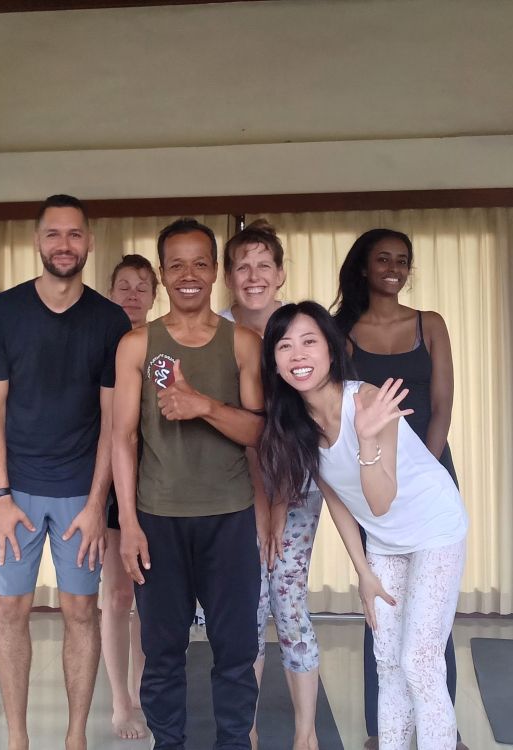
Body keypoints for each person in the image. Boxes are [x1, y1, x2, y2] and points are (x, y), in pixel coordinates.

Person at [259, 301, 468, 750]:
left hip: (435, 528)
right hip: (386, 542)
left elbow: (379, 499)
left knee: (420, 662)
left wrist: (368, 437)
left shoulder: (368, 401)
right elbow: (337, 497)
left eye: (309, 341)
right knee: (387, 661)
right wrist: (363, 571)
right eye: (285, 346)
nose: (298, 354)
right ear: (274, 362)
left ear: (331, 351)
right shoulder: (297, 423)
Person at [0, 194, 131, 750]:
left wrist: (96, 505)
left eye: (74, 234)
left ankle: (75, 737)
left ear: (89, 242)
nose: (64, 244)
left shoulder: (109, 320)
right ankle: (17, 738)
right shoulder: (1, 314)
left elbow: (113, 423)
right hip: (12, 491)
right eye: (53, 234)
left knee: (81, 611)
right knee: (10, 609)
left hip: (79, 493)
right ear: (37, 241)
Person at [113, 218, 264, 750]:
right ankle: (168, 743)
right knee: (162, 653)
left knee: (236, 651)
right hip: (158, 519)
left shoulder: (243, 342)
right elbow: (123, 438)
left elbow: (259, 432)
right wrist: (128, 523)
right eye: (176, 264)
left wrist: (203, 406)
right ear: (162, 273)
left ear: (216, 271)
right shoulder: (137, 345)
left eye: (200, 263)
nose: (189, 274)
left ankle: (234, 743)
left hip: (229, 516)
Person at [332, 229, 466, 750]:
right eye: (383, 259)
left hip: (429, 473)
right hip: (374, 480)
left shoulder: (429, 324)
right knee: (383, 612)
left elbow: (442, 402)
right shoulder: (343, 332)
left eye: (402, 260)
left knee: (431, 615)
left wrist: (423, 469)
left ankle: (440, 728)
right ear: (364, 267)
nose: (393, 268)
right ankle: (383, 732)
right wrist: (386, 476)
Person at [221, 220, 288, 749]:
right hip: (232, 484)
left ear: (280, 274)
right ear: (228, 277)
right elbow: (242, 430)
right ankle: (246, 729)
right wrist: (260, 509)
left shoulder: (299, 328)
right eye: (242, 266)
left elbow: (298, 430)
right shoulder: (215, 330)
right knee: (243, 608)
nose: (254, 275)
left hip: (294, 482)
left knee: (288, 602)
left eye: (264, 264)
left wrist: (277, 509)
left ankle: (304, 733)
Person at [102, 254, 158, 741]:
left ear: (154, 296)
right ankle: (120, 702)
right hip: (108, 483)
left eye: (142, 286)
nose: (133, 294)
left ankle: (143, 694)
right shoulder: (101, 342)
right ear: (110, 292)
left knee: (149, 596)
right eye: (124, 285)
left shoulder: (162, 345)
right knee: (118, 594)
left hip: (157, 483)